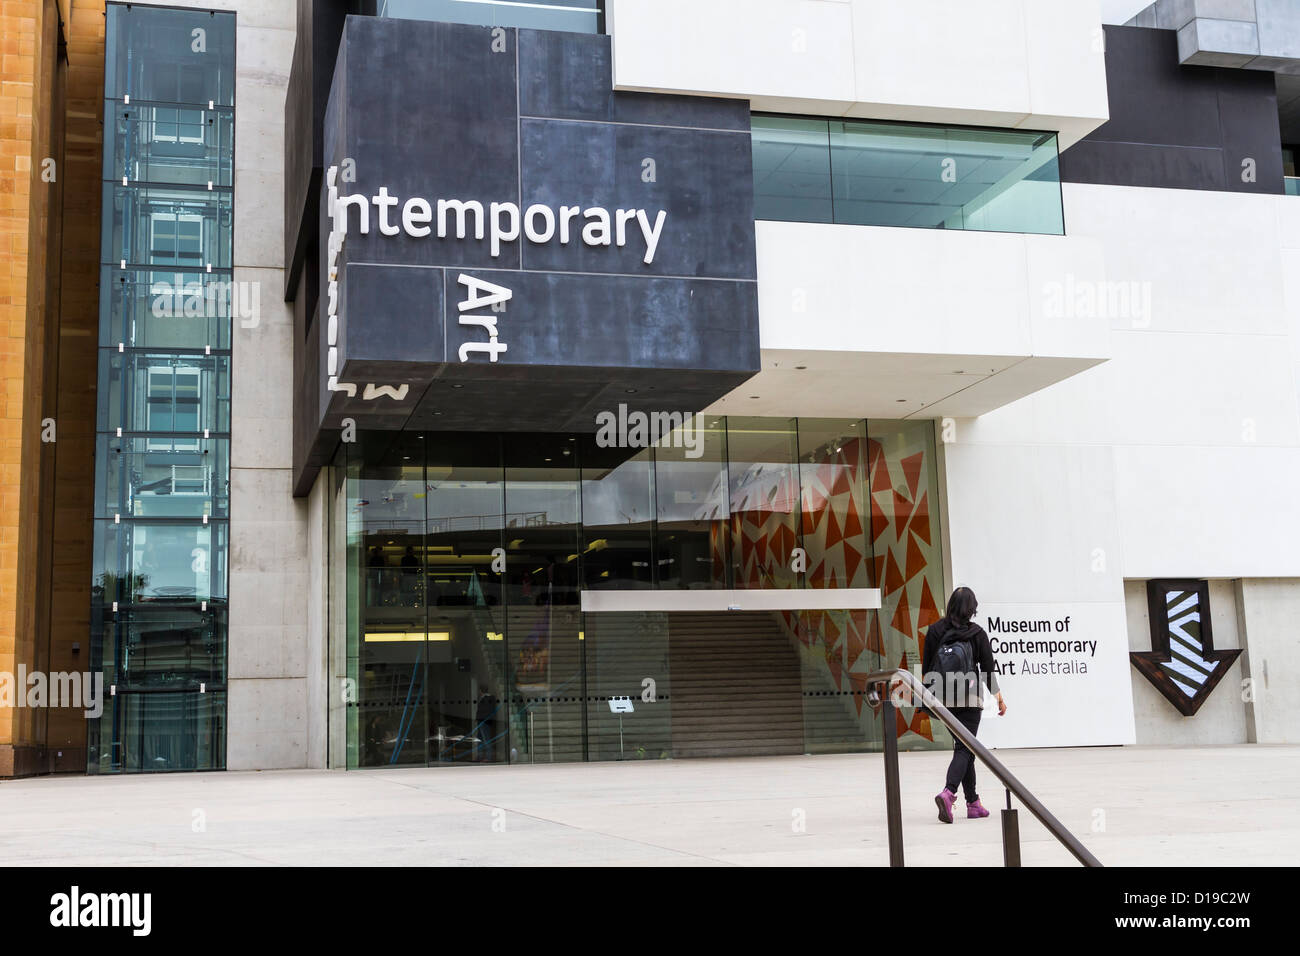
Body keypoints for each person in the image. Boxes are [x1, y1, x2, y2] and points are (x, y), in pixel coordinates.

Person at [921, 586, 1006, 824]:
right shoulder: (977, 633)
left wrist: (928, 699)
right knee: (965, 748)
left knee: (964, 747)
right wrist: (998, 697)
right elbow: (988, 670)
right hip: (969, 699)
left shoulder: (935, 630)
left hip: (942, 701)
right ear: (972, 609)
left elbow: (928, 669)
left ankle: (973, 803)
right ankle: (949, 792)